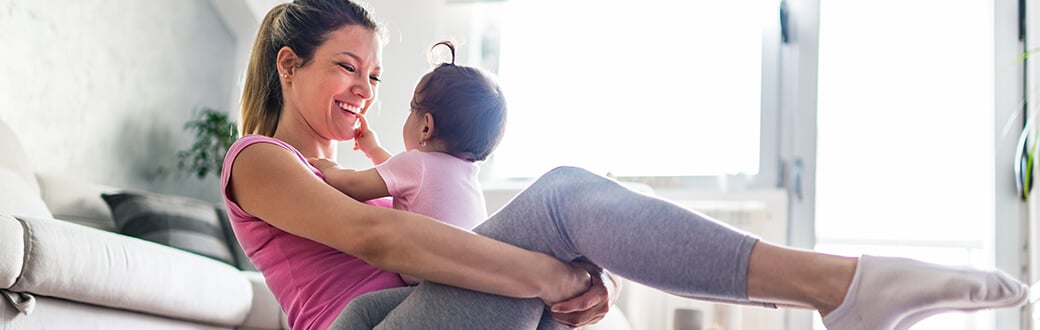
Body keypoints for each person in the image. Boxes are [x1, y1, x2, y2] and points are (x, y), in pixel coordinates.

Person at [221, 1, 1029, 329]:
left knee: (571, 215)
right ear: (289, 67)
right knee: (565, 198)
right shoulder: (259, 161)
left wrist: (551, 280)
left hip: (419, 316)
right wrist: (537, 276)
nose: (363, 90)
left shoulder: (357, 163)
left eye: (374, 76)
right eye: (344, 68)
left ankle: (839, 289)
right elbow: (384, 245)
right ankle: (837, 287)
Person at [308, 40, 505, 285]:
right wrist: (373, 149)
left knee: (361, 310)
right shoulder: (464, 175)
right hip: (469, 283)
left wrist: (328, 166)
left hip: (433, 291)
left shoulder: (418, 166)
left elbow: (352, 185)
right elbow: (403, 179)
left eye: (412, 109)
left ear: (426, 126)